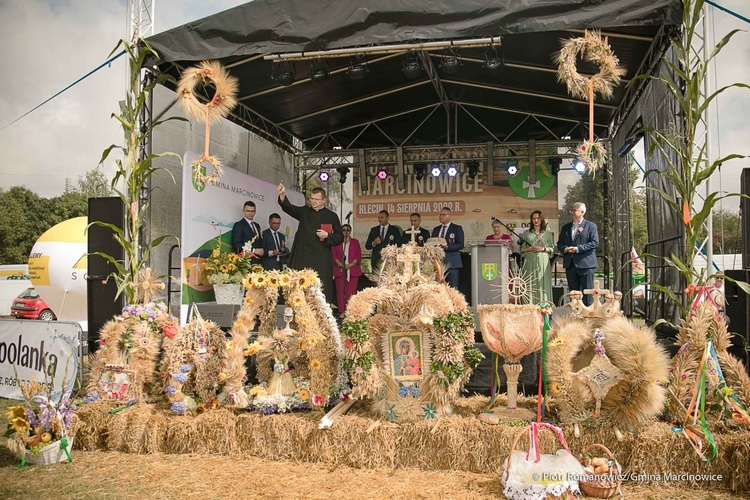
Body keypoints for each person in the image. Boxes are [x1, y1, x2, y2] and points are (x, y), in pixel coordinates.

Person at [277, 183, 343, 304]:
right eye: (312, 199)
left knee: (319, 289)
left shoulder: (331, 216)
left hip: (321, 258)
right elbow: (289, 208)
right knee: (298, 287)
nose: (313, 202)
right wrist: (282, 195)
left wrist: (327, 235)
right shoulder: (304, 212)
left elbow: (340, 237)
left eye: (316, 199)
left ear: (324, 200)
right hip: (302, 256)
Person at [557, 202, 599, 306]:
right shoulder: (566, 228)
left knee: (587, 294)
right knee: (574, 294)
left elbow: (594, 243)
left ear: (582, 212)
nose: (572, 212)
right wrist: (566, 249)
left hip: (586, 265)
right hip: (571, 265)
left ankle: (588, 317)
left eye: (574, 210)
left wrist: (577, 249)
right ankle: (575, 316)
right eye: (571, 210)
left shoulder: (591, 226)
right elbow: (560, 243)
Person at [519, 210, 555, 304]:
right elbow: (522, 250)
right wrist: (531, 248)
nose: (536, 220)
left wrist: (542, 249)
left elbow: (551, 249)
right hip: (530, 261)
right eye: (533, 218)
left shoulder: (547, 233)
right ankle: (529, 307)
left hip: (543, 262)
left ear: (541, 219)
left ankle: (545, 307)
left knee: (542, 283)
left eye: (538, 218)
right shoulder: (526, 233)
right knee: (530, 283)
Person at [332, 224, 362, 315]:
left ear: (350, 231)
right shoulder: (337, 242)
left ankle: (350, 311)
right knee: (340, 292)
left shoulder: (355, 242)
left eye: (348, 230)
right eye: (344, 230)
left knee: (351, 292)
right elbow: (333, 255)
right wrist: (340, 264)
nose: (346, 232)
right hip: (340, 269)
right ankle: (341, 311)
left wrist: (351, 264)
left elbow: (358, 255)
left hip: (352, 270)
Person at [432, 207, 464, 289]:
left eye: (443, 215)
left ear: (449, 216)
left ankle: (454, 302)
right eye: (440, 215)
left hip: (452, 262)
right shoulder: (436, 229)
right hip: (439, 263)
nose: (441, 217)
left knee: (453, 287)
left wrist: (447, 247)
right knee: (439, 286)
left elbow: (460, 244)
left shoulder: (457, 228)